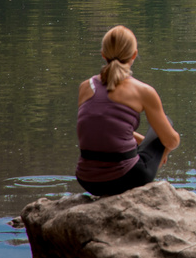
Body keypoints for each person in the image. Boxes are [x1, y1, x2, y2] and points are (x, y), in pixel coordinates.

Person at [75, 25, 181, 196]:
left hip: (86, 180)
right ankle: (150, 161)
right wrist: (165, 147)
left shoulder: (85, 87)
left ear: (103, 54)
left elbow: (103, 130)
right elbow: (171, 141)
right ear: (134, 55)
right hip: (125, 179)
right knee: (165, 125)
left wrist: (143, 142)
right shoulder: (143, 91)